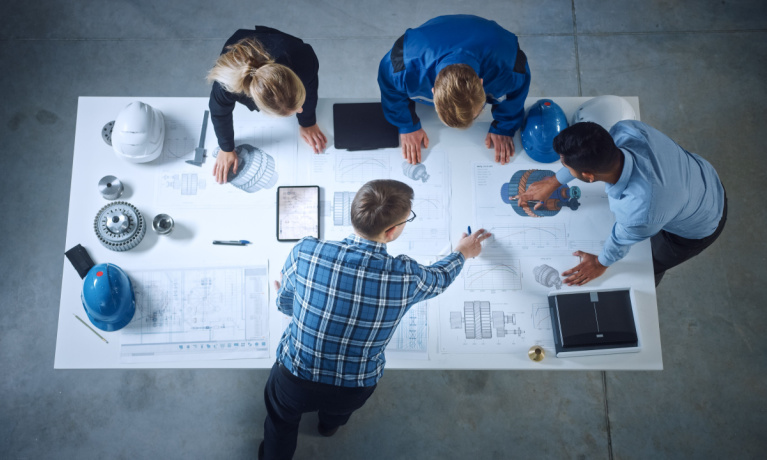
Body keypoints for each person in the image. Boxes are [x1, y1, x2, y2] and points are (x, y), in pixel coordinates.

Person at [260, 179, 491, 460]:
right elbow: (440, 279)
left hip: (293, 377)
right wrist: (463, 252)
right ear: (391, 232)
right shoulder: (407, 276)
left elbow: (285, 302)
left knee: (280, 424)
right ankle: (327, 428)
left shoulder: (306, 251)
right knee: (336, 415)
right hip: (353, 386)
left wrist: (292, 303)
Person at [514, 121, 727, 287]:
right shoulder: (628, 130)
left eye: (565, 166)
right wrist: (553, 181)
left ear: (589, 176)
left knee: (646, 264)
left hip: (701, 222)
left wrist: (599, 263)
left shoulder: (641, 210)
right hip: (702, 175)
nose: (563, 169)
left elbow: (620, 240)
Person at [377, 14, 531, 166]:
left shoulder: (511, 67)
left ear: (481, 83)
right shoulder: (402, 66)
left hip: (492, 40)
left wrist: (504, 127)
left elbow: (516, 93)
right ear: (433, 91)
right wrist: (407, 125)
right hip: (426, 40)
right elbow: (390, 89)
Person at [207, 26, 327, 184]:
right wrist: (226, 147)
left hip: (281, 45)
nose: (300, 109)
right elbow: (219, 113)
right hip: (239, 49)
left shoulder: (304, 58)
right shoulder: (226, 86)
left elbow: (310, 89)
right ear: (259, 106)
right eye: (293, 111)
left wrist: (307, 121)